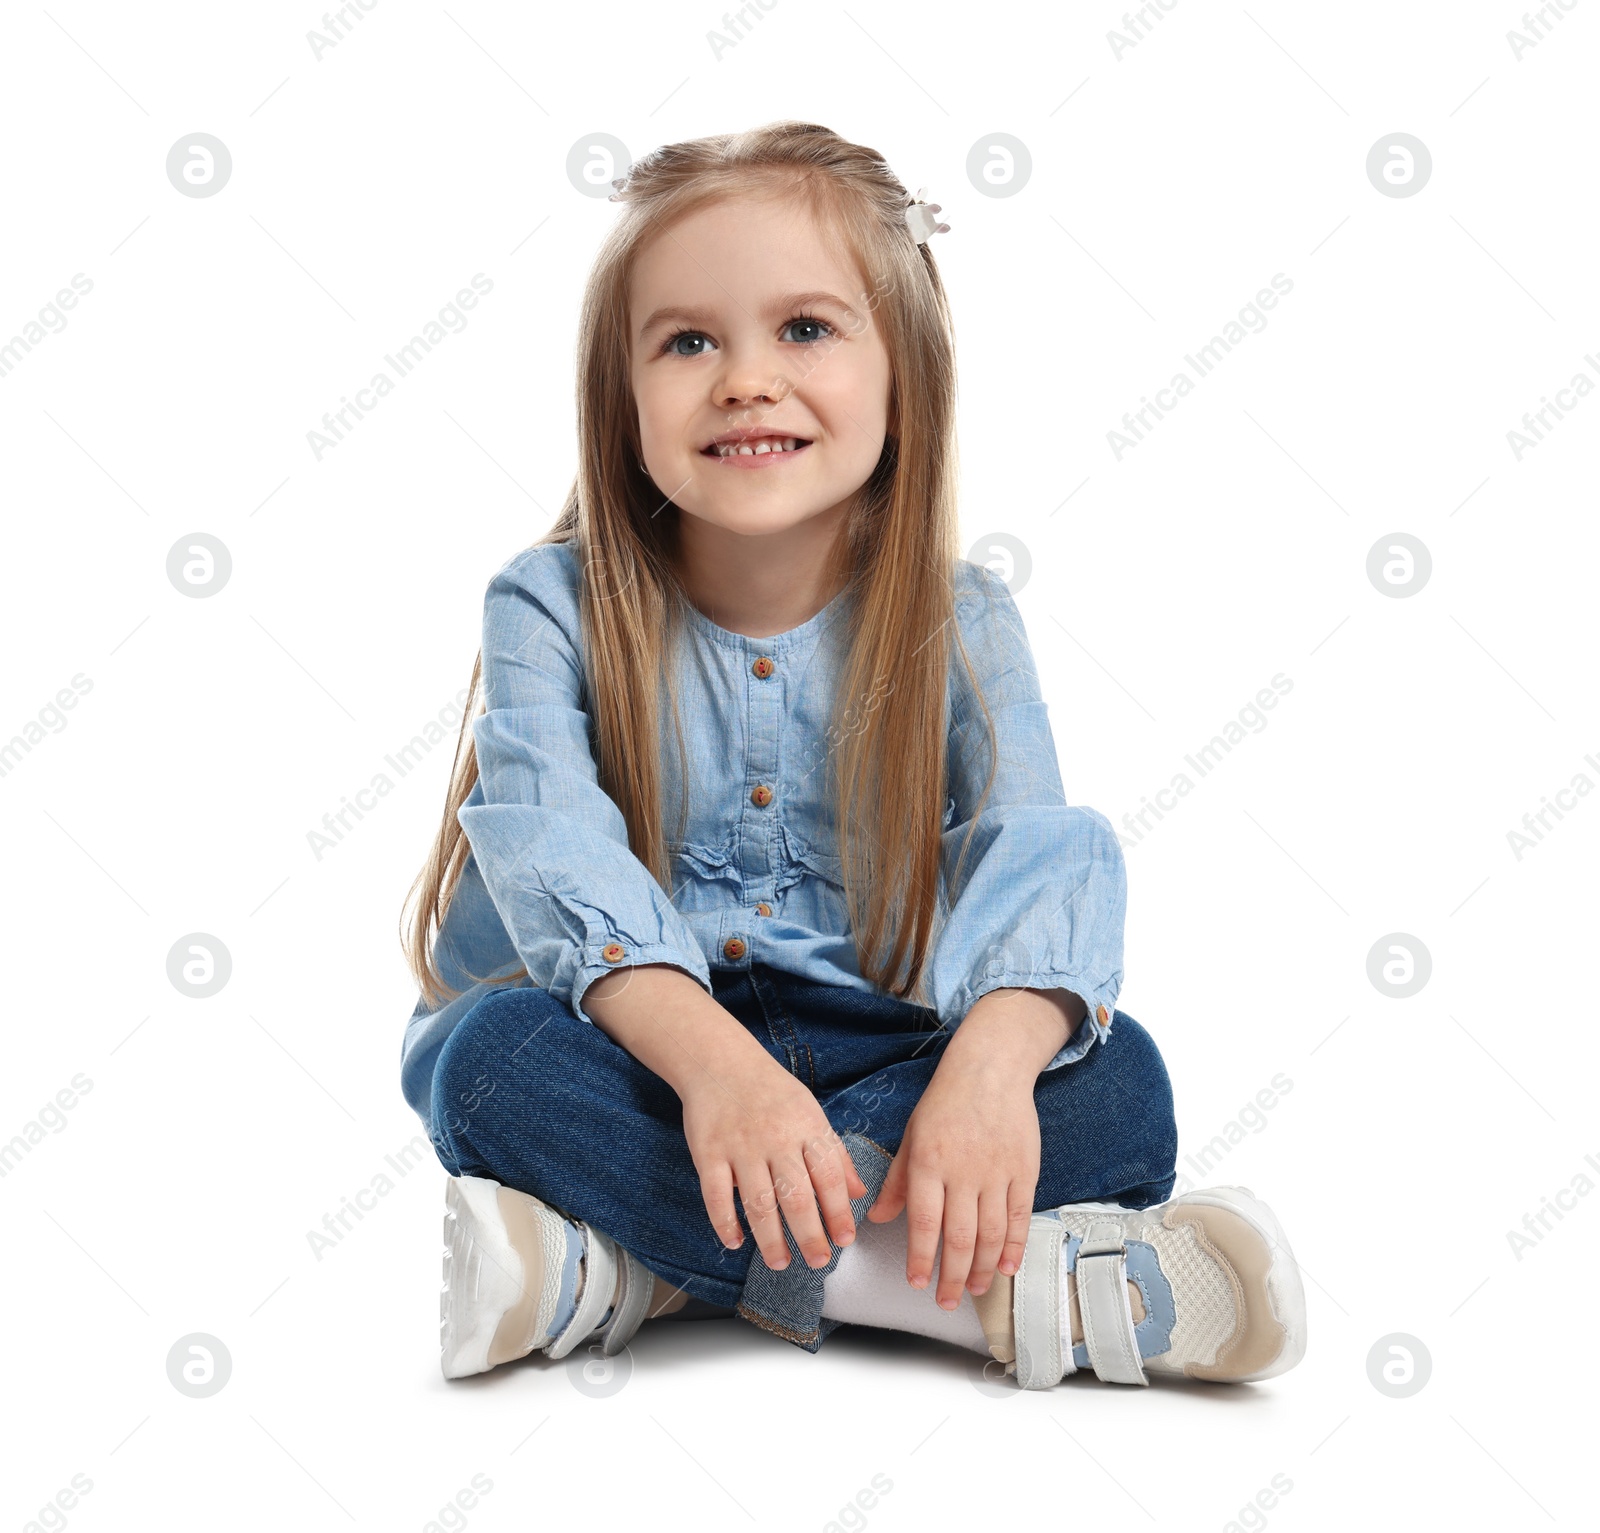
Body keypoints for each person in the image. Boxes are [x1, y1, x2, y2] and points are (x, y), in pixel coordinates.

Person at [398, 120, 1307, 1390]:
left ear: (905, 375)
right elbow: (554, 858)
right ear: (622, 394)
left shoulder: (961, 616)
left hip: (882, 1052)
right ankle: (970, 1303)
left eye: (806, 330)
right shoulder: (548, 602)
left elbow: (1032, 856)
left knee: (1122, 1079)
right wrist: (722, 1077)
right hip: (643, 1055)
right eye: (687, 340)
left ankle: (634, 1270)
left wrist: (987, 1073)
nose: (746, 379)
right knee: (483, 1069)